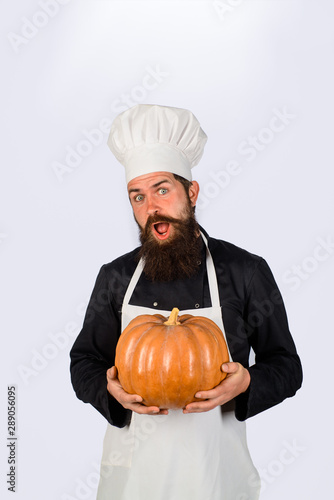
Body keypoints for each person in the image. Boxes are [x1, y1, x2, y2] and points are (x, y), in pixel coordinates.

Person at [70, 104, 302, 500]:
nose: (151, 208)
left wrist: (247, 382)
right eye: (138, 197)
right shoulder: (116, 277)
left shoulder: (245, 272)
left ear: (191, 192)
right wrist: (109, 392)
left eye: (162, 189)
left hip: (216, 481)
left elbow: (286, 366)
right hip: (133, 483)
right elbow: (84, 363)